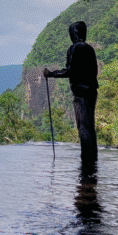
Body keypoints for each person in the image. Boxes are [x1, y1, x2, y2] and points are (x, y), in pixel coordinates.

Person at [43, 21, 98, 163]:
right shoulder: (90, 49)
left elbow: (69, 71)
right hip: (92, 91)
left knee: (83, 127)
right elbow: (94, 71)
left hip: (81, 93)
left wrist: (51, 74)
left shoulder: (74, 48)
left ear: (73, 33)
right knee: (90, 127)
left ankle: (86, 161)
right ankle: (92, 158)